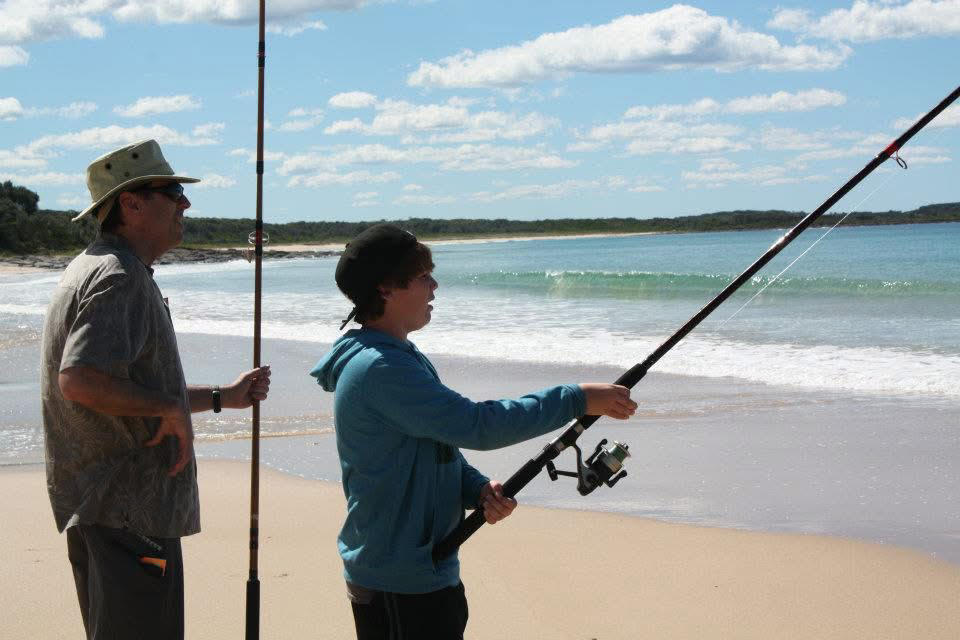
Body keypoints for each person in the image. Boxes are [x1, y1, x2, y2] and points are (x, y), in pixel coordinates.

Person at [310, 224, 637, 639]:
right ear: (387, 289)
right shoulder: (380, 368)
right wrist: (576, 399)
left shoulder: (399, 356)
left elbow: (433, 445)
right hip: (398, 580)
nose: (434, 285)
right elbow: (476, 426)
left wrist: (476, 490)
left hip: (424, 568)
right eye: (423, 276)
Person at [40, 139, 271, 640]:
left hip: (110, 511)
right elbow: (78, 380)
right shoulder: (117, 276)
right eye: (172, 192)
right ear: (131, 202)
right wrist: (166, 405)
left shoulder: (98, 267)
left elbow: (123, 386)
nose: (185, 204)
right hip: (129, 514)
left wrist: (219, 398)